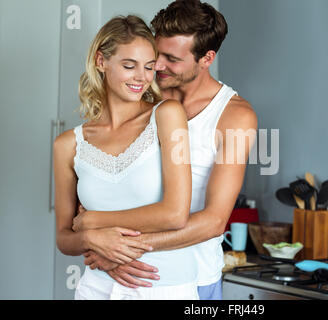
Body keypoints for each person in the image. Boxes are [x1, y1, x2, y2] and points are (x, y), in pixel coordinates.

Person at [78, 0, 258, 300]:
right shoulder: (142, 93)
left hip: (193, 280)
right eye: (155, 53)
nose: (157, 66)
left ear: (206, 58)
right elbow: (95, 176)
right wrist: (100, 243)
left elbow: (214, 221)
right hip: (115, 276)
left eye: (171, 58)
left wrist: (118, 249)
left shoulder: (235, 116)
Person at [53, 15, 199, 299]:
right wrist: (92, 239)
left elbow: (175, 213)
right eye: (129, 66)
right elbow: (64, 237)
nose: (142, 78)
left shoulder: (168, 115)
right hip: (96, 286)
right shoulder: (68, 144)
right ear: (101, 61)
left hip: (163, 286)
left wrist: (93, 220)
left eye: (148, 67)